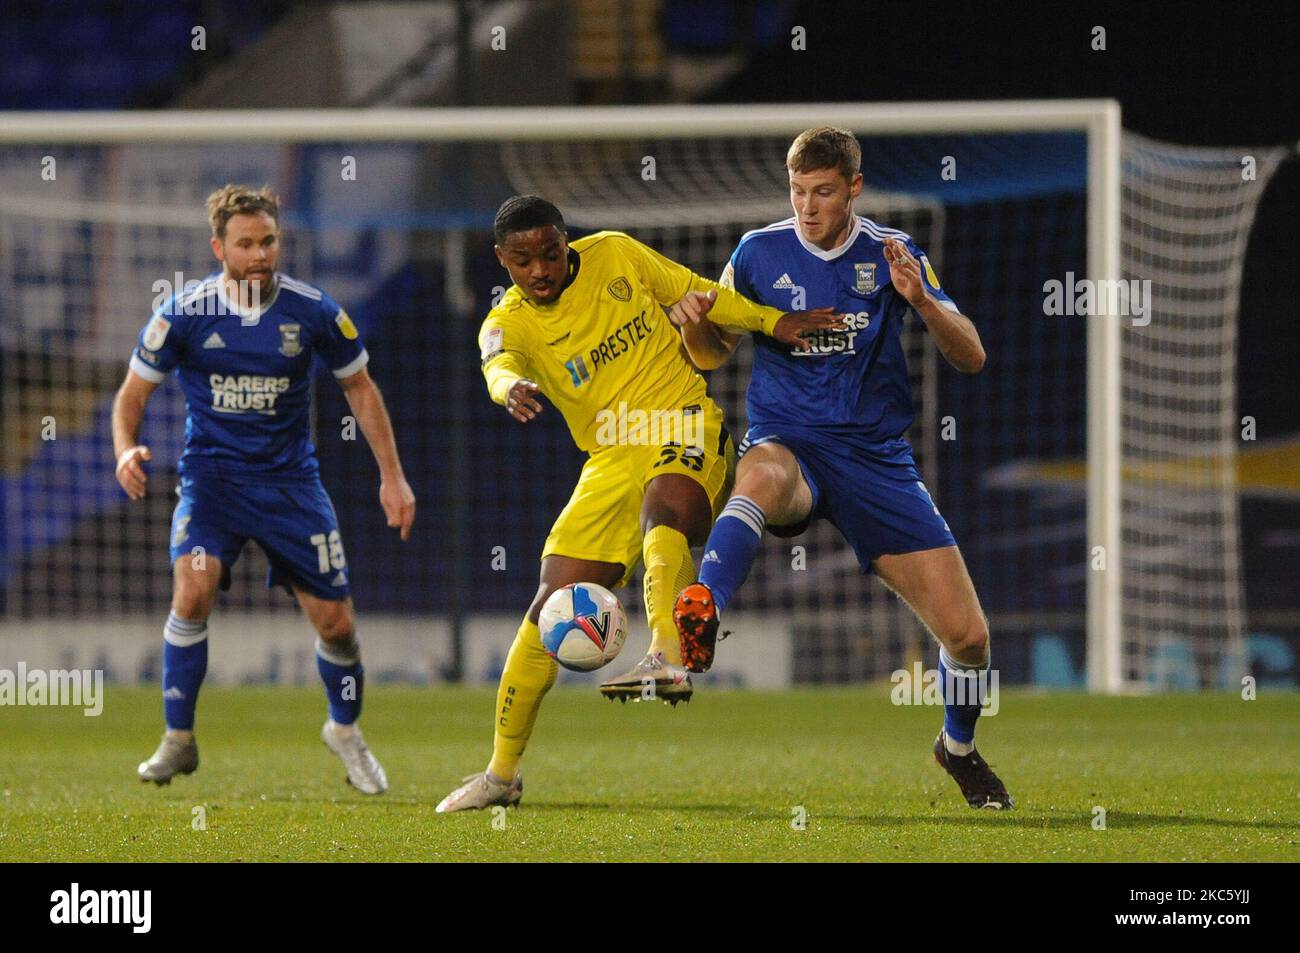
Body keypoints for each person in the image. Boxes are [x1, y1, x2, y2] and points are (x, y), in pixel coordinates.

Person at [435, 195, 842, 812]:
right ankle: (501, 775)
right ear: (503, 261)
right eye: (523, 261)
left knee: (664, 513)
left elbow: (703, 292)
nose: (540, 269)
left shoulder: (617, 254)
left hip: (682, 424)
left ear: (566, 242)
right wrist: (509, 387)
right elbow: (498, 362)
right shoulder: (507, 320)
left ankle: (667, 658)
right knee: (546, 612)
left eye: (550, 253)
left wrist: (771, 321)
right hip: (608, 462)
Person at [670, 127, 1013, 809]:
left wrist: (919, 301)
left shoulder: (893, 254)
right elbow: (712, 354)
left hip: (875, 461)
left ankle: (959, 747)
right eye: (797, 191)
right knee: (760, 476)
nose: (807, 205)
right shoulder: (758, 252)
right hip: (790, 441)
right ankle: (702, 605)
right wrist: (691, 324)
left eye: (822, 191)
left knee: (969, 638)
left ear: (853, 188)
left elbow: (970, 353)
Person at [112, 184, 415, 794]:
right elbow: (131, 395)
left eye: (268, 241)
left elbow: (360, 387)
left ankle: (345, 731)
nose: (258, 254)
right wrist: (125, 450)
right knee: (192, 592)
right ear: (218, 246)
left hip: (290, 487)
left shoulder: (313, 311)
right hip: (212, 485)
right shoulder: (184, 314)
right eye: (245, 243)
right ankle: (178, 739)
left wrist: (392, 475)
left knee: (336, 625)